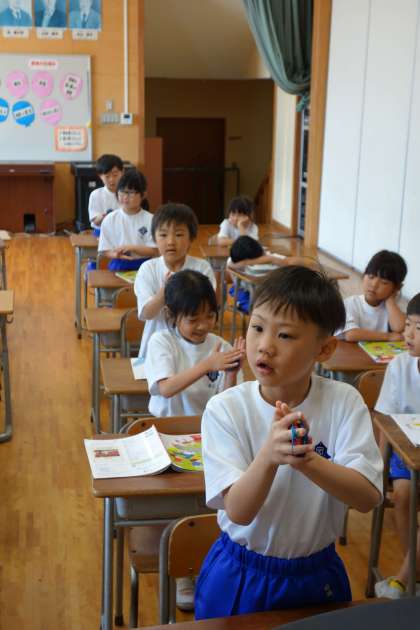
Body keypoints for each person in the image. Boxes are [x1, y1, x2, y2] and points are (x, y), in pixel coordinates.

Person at [196, 266, 383, 619]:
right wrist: (269, 456)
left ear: (324, 349)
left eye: (284, 335)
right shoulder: (226, 408)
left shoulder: (344, 402)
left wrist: (307, 461)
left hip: (316, 573)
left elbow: (367, 497)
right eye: (257, 327)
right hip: (242, 571)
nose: (265, 345)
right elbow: (238, 511)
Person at [145, 270, 245, 417]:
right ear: (171, 314)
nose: (203, 326)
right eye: (193, 320)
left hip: (206, 424)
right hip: (167, 424)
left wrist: (231, 375)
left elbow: (224, 405)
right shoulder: (161, 341)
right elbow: (166, 389)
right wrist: (208, 365)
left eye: (210, 316)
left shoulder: (222, 347)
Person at [374, 292, 420, 599]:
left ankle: (406, 577)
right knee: (403, 494)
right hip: (404, 455)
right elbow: (384, 420)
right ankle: (413, 570)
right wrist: (378, 466)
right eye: (409, 325)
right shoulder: (400, 366)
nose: (409, 334)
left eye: (419, 328)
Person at [134, 203, 216, 360]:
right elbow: (146, 313)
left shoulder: (202, 268)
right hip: (157, 350)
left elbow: (206, 310)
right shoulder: (148, 269)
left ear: (191, 238)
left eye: (178, 235)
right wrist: (166, 290)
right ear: (154, 238)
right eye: (163, 235)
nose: (171, 241)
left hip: (195, 349)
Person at [338, 250, 407, 341]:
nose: (374, 285)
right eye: (371, 277)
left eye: (384, 282)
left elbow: (399, 327)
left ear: (397, 287)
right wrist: (388, 336)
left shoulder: (391, 308)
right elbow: (351, 334)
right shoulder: (351, 303)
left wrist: (390, 300)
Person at [98, 169, 157, 271]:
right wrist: (115, 254)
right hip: (118, 264)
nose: (125, 197)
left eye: (130, 193)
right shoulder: (110, 219)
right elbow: (104, 250)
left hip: (144, 266)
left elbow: (154, 250)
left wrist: (132, 248)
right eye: (122, 191)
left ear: (143, 194)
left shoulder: (151, 220)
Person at [88, 154, 123, 237]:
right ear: (100, 176)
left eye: (115, 175)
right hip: (101, 233)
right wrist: (104, 216)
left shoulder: (126, 193)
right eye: (107, 176)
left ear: (122, 173)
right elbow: (95, 221)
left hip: (122, 232)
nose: (112, 180)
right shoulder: (96, 195)